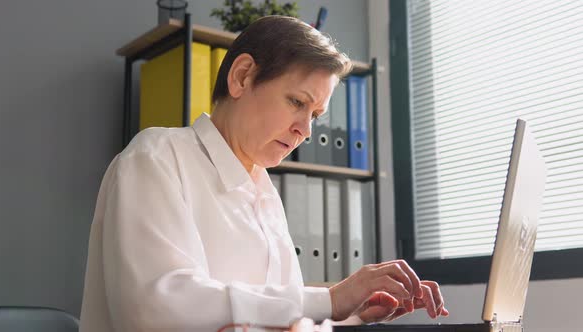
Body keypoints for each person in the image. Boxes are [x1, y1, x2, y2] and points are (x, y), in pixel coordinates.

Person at [79, 15, 448, 332]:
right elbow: (156, 310)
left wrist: (352, 314)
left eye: (315, 115)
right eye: (297, 102)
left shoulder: (264, 193)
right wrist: (331, 300)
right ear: (242, 77)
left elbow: (280, 317)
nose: (305, 129)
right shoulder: (157, 157)